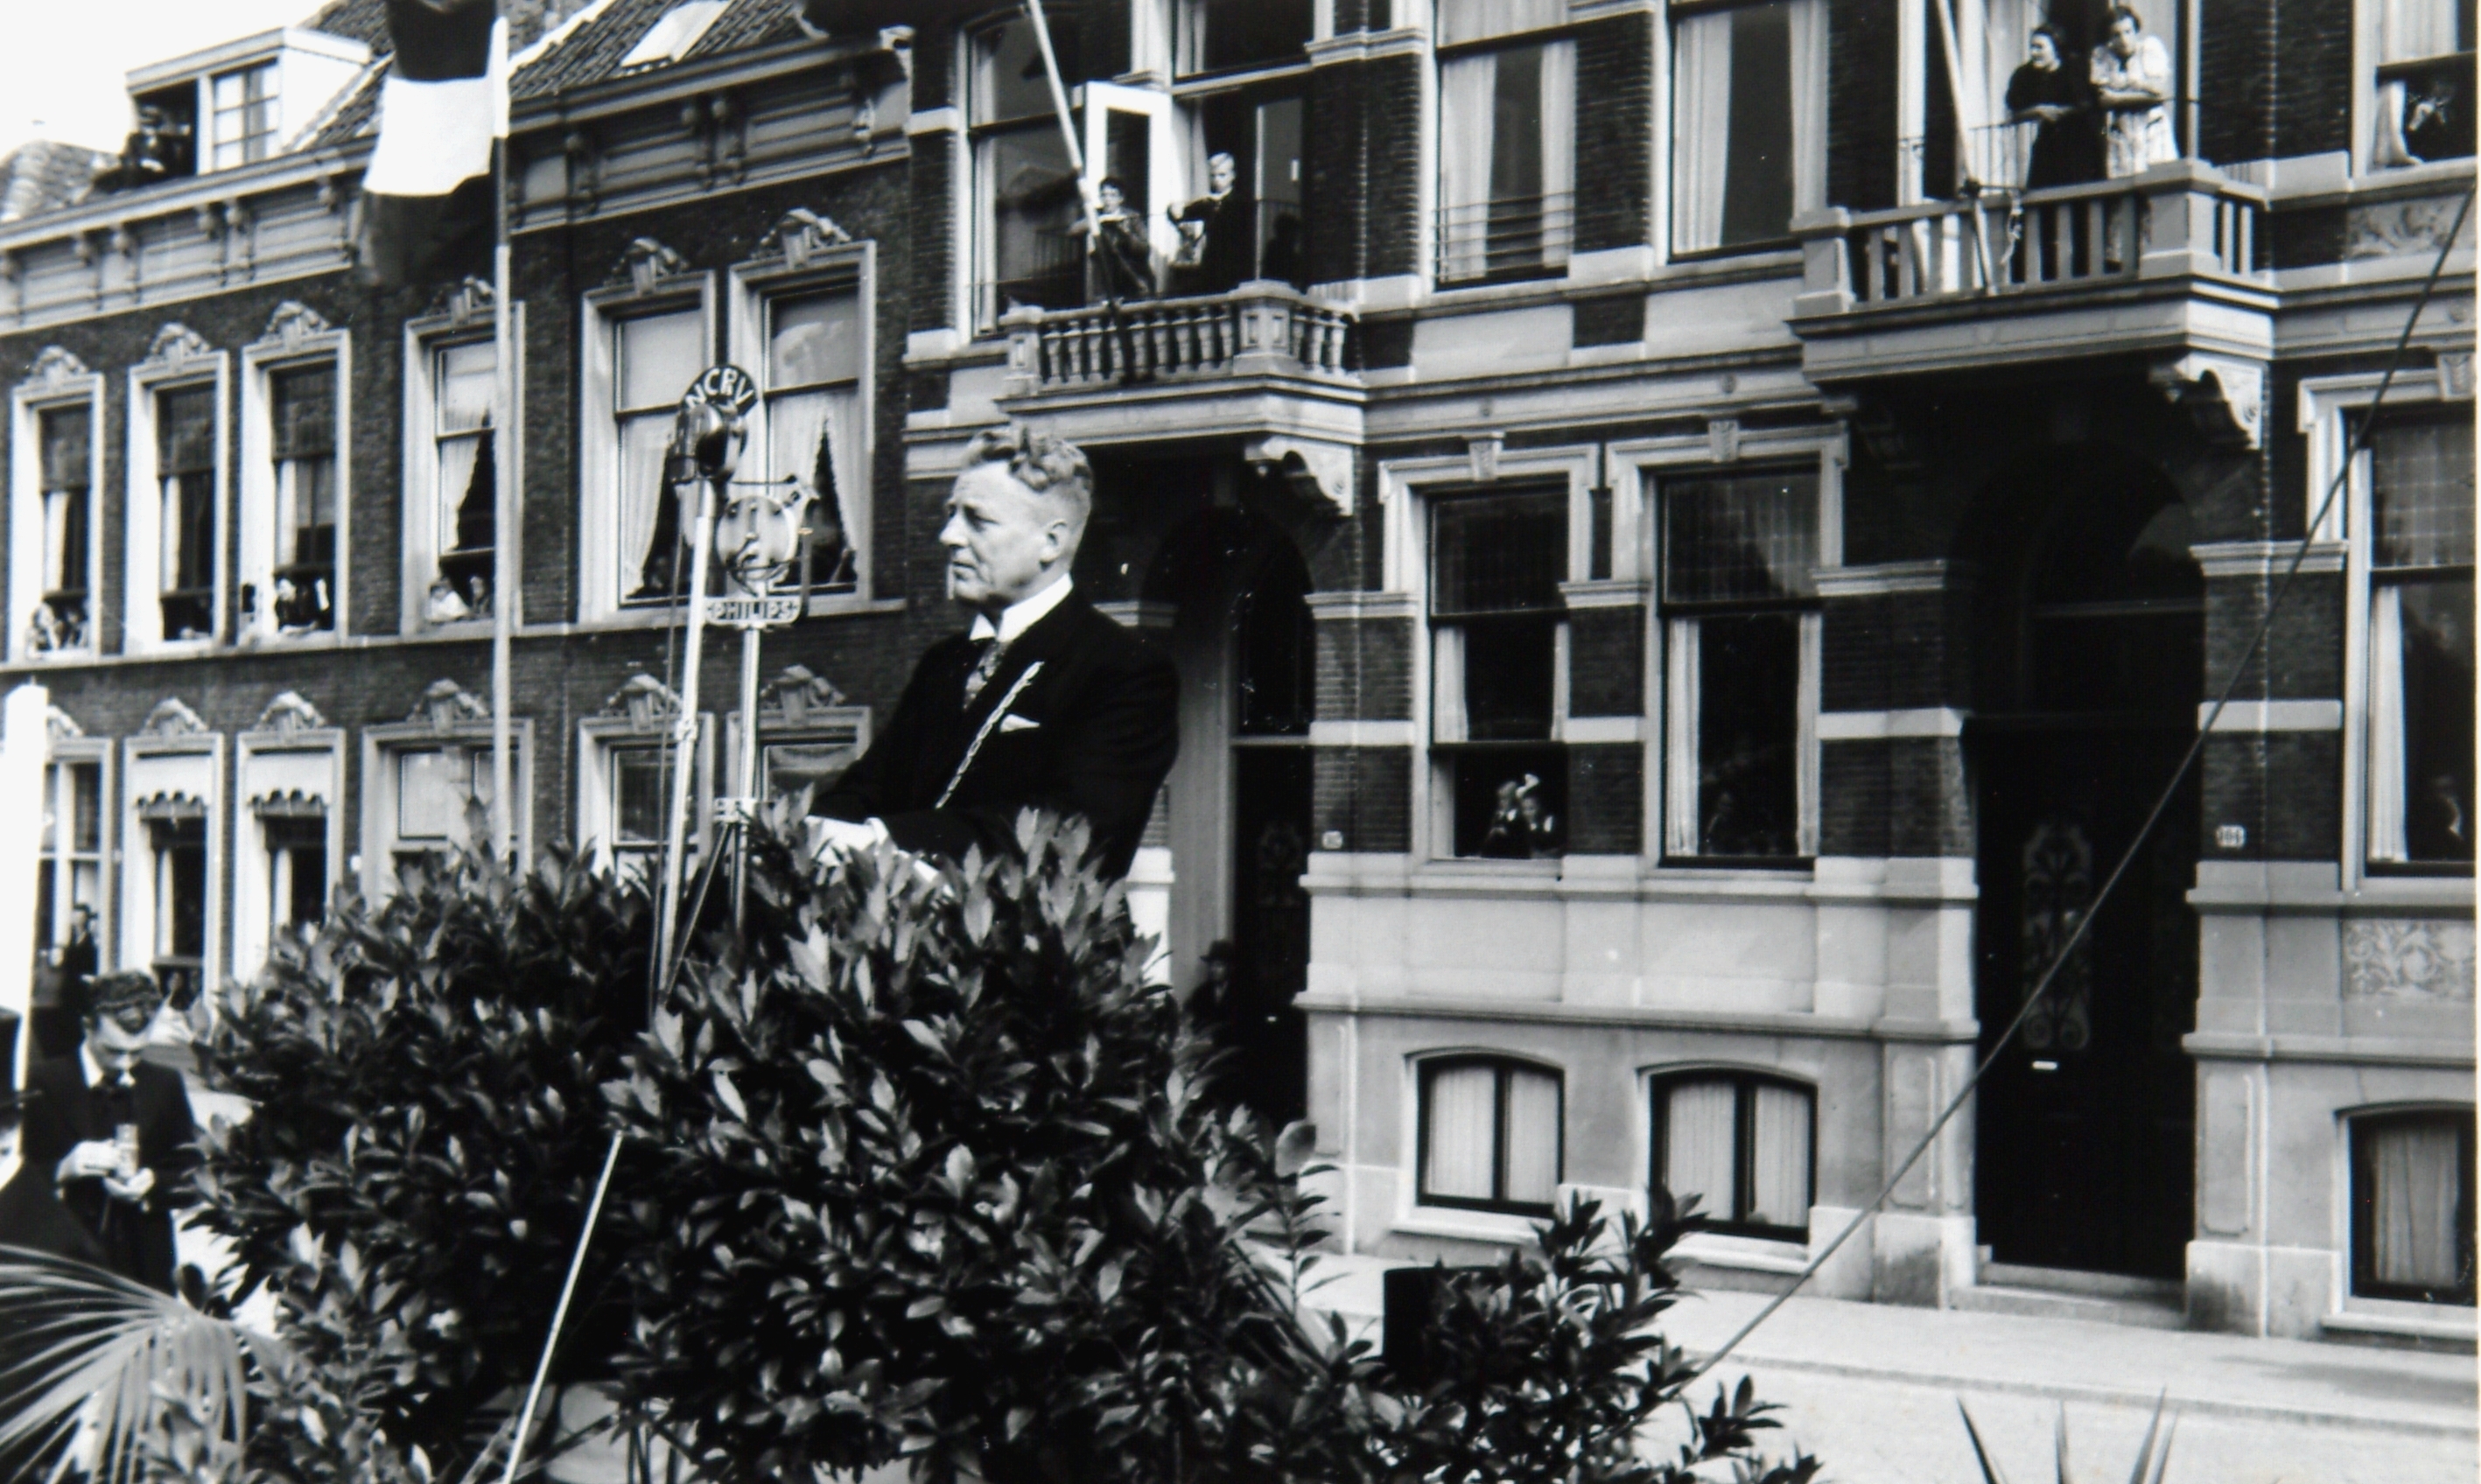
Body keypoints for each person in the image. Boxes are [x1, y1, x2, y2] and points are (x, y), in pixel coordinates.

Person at [808, 423, 1179, 881]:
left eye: (977, 520)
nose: (948, 536)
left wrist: (877, 839)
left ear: (1052, 542)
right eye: (951, 514)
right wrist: (811, 833)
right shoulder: (944, 662)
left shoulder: (1125, 667)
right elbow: (867, 786)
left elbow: (1067, 830)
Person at [21, 971, 199, 1293]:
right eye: (113, 1050)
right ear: (87, 1026)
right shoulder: (41, 1083)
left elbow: (193, 1173)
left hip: (144, 1270)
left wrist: (153, 1182)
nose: (125, 1064)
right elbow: (10, 1177)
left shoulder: (165, 1084)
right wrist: (63, 1169)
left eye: (137, 1052)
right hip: (63, 1267)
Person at [2007, 26, 2103, 188]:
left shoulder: (2073, 70)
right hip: (2048, 143)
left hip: (2078, 142)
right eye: (2032, 47)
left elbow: (2088, 104)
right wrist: (2037, 110)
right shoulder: (2025, 74)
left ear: (2056, 48)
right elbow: (2014, 110)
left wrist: (2060, 112)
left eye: (2040, 47)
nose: (2034, 52)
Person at [2091, 6, 2176, 178]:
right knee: (2124, 181)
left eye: (2128, 32)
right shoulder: (2103, 57)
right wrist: (2142, 93)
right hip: (2123, 132)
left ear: (2136, 31)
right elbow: (2105, 100)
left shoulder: (2149, 49)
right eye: (2116, 35)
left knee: (2157, 179)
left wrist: (2118, 98)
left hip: (2151, 128)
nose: (2124, 39)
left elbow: (2160, 93)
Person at [1167, 151, 1249, 297]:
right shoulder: (1207, 203)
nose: (1217, 180)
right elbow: (1177, 213)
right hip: (1211, 261)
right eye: (1213, 176)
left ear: (1232, 175)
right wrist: (1184, 230)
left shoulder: (1239, 203)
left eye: (1222, 175)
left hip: (1233, 262)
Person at [32, 905, 95, 1063]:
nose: (76, 920)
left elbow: (88, 968)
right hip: (64, 994)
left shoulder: (89, 942)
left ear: (85, 919)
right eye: (74, 916)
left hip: (77, 993)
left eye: (80, 917)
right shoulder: (70, 939)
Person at [1079, 177, 1155, 304]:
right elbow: (1073, 230)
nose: (1107, 199)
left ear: (1121, 198)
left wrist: (1127, 234)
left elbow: (1144, 248)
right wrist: (1094, 221)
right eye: (1104, 195)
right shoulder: (1097, 215)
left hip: (1131, 275)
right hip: (1107, 277)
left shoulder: (1132, 217)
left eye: (1112, 195)